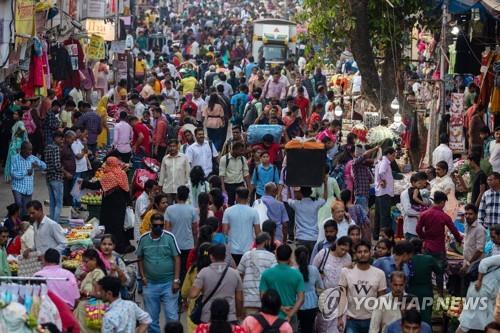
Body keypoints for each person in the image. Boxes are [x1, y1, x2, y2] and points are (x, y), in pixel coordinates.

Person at [137, 213, 181, 333]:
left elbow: (177, 258)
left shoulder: (169, 237)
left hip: (169, 283)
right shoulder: (143, 239)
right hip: (150, 284)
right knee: (151, 319)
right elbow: (139, 258)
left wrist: (176, 280)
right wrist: (143, 276)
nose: (158, 228)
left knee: (172, 317)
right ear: (151, 225)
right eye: (156, 226)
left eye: (161, 226)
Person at [82, 157, 132, 254]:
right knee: (119, 226)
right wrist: (129, 203)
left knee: (108, 226)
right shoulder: (122, 174)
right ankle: (121, 246)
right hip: (120, 205)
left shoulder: (109, 176)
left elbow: (95, 185)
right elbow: (127, 190)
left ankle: (110, 246)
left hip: (109, 206)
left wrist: (83, 183)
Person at [417, 191, 462, 292]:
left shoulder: (424, 214)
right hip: (439, 248)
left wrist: (424, 238)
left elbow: (418, 229)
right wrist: (459, 240)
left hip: (427, 246)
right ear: (442, 202)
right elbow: (454, 230)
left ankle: (427, 291)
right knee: (439, 272)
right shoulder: (444, 216)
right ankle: (440, 293)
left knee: (426, 271)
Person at [338, 240, 387, 333]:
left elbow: (382, 300)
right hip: (352, 320)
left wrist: (381, 321)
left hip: (372, 320)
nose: (363, 254)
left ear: (370, 253)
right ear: (355, 254)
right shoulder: (346, 272)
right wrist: (339, 318)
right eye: (359, 252)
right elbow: (341, 296)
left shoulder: (379, 274)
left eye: (365, 251)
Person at [190, 244, 244, 324]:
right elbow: (239, 298)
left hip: (208, 317)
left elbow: (193, 294)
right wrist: (238, 314)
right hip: (229, 317)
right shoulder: (235, 273)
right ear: (225, 256)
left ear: (211, 256)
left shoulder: (203, 272)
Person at [260, 244, 305, 330]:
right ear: (290, 257)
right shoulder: (297, 275)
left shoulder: (266, 274)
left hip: (271, 317)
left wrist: (281, 308)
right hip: (291, 317)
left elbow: (263, 296)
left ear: (276, 256)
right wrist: (290, 314)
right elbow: (301, 299)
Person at [237, 232, 277, 315]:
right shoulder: (271, 257)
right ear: (267, 242)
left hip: (249, 299)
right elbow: (274, 277)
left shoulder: (247, 255)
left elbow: (239, 274)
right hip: (266, 300)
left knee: (250, 325)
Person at [165, 185, 198, 282]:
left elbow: (167, 229)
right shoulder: (192, 210)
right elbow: (195, 230)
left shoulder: (169, 209)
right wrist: (195, 244)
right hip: (188, 244)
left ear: (177, 195)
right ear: (187, 196)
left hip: (174, 245)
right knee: (186, 269)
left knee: (175, 269)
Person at [406, 238, 441, 324]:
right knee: (425, 317)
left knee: (410, 317)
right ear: (422, 248)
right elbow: (439, 271)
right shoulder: (429, 259)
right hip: (426, 291)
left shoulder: (407, 259)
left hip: (410, 291)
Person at [222, 187, 261, 264]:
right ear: (248, 197)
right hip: (249, 250)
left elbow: (225, 232)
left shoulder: (228, 211)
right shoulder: (254, 212)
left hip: (232, 250)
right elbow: (258, 233)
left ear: (236, 196)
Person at [73, 249, 107, 333]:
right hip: (84, 310)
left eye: (86, 261)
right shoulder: (90, 273)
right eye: (83, 262)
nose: (84, 264)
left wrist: (85, 293)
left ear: (94, 260)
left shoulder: (97, 273)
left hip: (92, 309)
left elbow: (100, 294)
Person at [288, 184, 327, 255]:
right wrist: (325, 183)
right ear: (311, 192)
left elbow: (288, 199)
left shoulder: (296, 204)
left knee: (301, 262)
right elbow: (325, 199)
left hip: (300, 238)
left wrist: (289, 186)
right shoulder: (316, 203)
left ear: (301, 192)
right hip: (314, 238)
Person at [182, 242, 212, 333]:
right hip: (211, 308)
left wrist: (184, 301)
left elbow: (184, 291)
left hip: (195, 309)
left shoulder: (193, 269)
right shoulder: (215, 270)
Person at [10, 141, 46, 217]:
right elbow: (13, 174)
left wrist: (38, 165)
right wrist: (26, 172)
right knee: (18, 204)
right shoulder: (15, 158)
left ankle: (23, 224)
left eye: (31, 150)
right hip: (17, 186)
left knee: (26, 210)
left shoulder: (32, 158)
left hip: (28, 188)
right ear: (22, 150)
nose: (30, 152)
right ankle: (14, 220)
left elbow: (44, 166)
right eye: (28, 150)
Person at [295, 246, 324, 333]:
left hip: (297, 303)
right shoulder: (314, 269)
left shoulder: (293, 270)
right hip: (312, 303)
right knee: (308, 328)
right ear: (308, 257)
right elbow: (320, 286)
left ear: (296, 257)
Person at [374, 147, 396, 240]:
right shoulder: (385, 162)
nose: (394, 157)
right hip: (384, 192)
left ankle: (376, 235)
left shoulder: (381, 161)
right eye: (393, 155)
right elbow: (382, 172)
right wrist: (383, 180)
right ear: (389, 154)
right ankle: (383, 237)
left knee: (378, 215)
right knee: (384, 216)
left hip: (380, 192)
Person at [219, 141, 250, 206]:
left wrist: (248, 187)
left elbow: (246, 173)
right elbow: (221, 175)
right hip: (229, 186)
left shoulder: (243, 159)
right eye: (240, 151)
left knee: (242, 204)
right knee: (230, 205)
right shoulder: (224, 159)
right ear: (234, 149)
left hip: (240, 184)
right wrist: (223, 189)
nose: (242, 152)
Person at [400, 172, 428, 240]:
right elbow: (408, 210)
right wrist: (421, 214)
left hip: (422, 229)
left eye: (424, 183)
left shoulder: (422, 192)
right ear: (413, 182)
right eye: (420, 183)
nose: (423, 185)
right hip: (411, 229)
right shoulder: (405, 194)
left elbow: (427, 204)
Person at [44, 132, 65, 222]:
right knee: (59, 203)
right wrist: (63, 171)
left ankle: (52, 222)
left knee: (52, 202)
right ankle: (55, 223)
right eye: (60, 138)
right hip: (57, 177)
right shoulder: (56, 148)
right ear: (55, 138)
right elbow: (57, 164)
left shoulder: (47, 147)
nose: (62, 140)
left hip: (49, 177)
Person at [5, 109, 29, 182]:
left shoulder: (20, 123)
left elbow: (19, 137)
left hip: (15, 147)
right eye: (14, 114)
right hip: (13, 145)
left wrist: (17, 147)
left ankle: (15, 177)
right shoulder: (17, 123)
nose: (14, 115)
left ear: (19, 116)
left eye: (16, 114)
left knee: (14, 162)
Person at [461, 204, 486, 272]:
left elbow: (479, 251)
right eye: (466, 214)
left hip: (474, 264)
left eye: (470, 214)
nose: (467, 216)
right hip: (466, 261)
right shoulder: (467, 226)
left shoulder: (480, 229)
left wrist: (468, 264)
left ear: (476, 215)